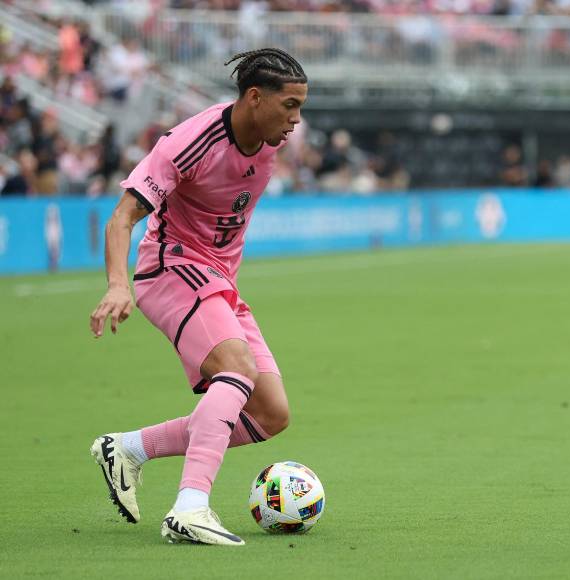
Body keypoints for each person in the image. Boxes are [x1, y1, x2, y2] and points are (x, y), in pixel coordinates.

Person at [88, 48, 307, 546]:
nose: (296, 119)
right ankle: (190, 508)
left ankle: (128, 449)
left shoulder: (269, 140)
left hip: (219, 280)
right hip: (170, 268)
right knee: (237, 369)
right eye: (289, 105)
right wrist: (118, 284)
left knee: (269, 413)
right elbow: (122, 216)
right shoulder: (188, 143)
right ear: (255, 98)